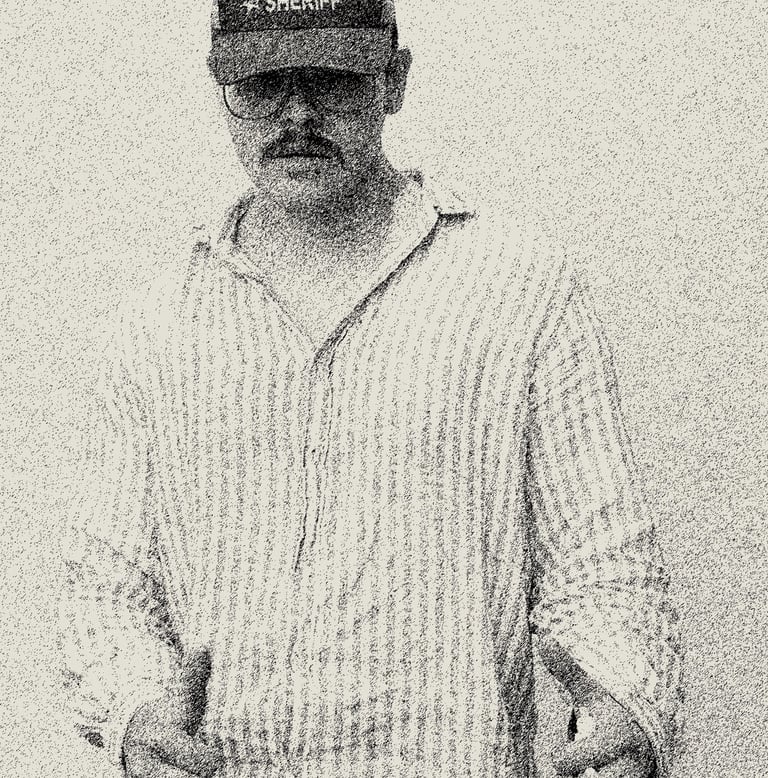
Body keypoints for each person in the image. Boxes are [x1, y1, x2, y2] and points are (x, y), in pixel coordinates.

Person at [58, 1, 682, 777]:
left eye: (333, 78)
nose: (298, 114)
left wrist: (624, 701)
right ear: (221, 87)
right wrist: (135, 708)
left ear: (395, 79)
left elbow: (602, 563)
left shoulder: (522, 291)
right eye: (263, 84)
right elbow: (107, 585)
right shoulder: (155, 323)